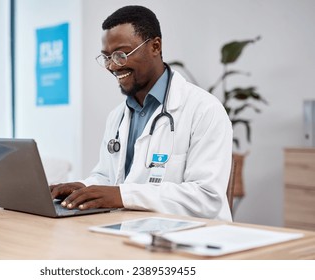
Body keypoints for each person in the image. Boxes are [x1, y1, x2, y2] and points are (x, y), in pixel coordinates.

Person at [50, 5, 233, 221]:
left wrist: (122, 195)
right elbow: (108, 177)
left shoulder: (205, 110)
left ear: (155, 46)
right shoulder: (117, 117)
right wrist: (82, 188)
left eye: (121, 54)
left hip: (194, 239)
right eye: (107, 57)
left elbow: (206, 197)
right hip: (134, 231)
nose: (112, 66)